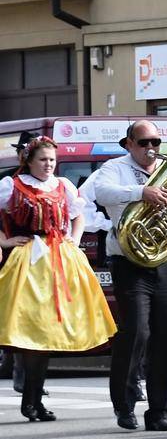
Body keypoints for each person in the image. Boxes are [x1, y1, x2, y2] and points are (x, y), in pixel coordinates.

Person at [0, 137, 114, 421]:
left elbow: (78, 216)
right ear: (29, 161)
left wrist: (73, 242)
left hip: (60, 259)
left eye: (51, 159)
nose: (48, 165)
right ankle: (30, 399)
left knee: (49, 333)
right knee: (32, 331)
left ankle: (34, 399)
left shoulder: (63, 185)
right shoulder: (11, 186)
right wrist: (5, 241)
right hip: (29, 260)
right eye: (42, 160)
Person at [79, 120, 167, 431]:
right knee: (136, 330)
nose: (151, 149)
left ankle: (159, 411)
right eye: (143, 143)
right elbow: (102, 193)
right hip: (130, 261)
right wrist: (141, 192)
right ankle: (124, 404)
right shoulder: (114, 168)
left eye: (156, 142)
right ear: (129, 144)